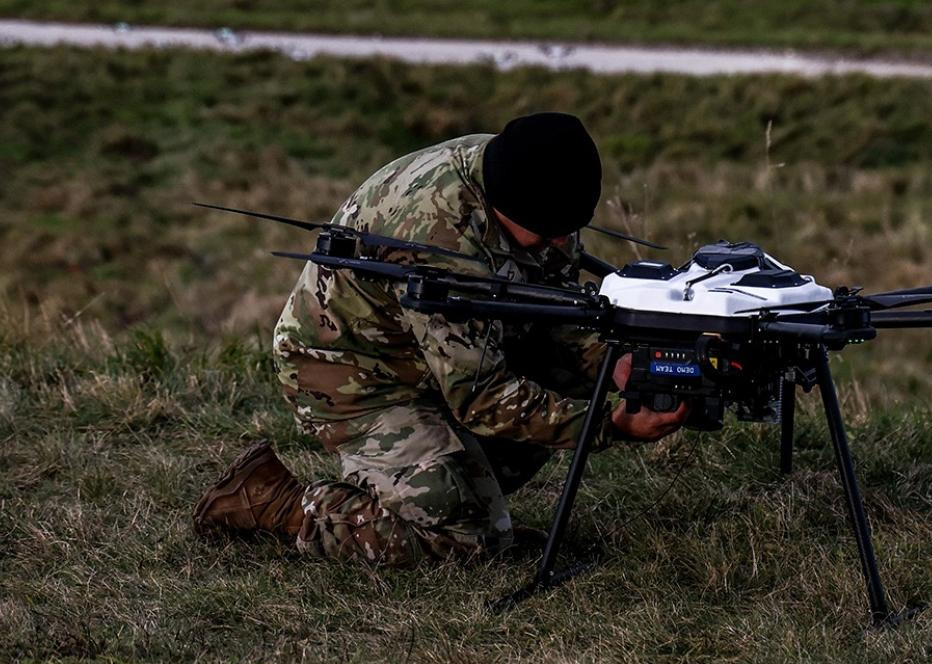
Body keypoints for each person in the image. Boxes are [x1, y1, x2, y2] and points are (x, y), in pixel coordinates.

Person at [193, 112, 687, 565]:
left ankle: (455, 494)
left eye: (569, 229)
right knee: (467, 543)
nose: (562, 243)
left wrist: (611, 361)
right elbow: (480, 397)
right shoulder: (441, 238)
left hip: (439, 355)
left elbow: (551, 300)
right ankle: (274, 503)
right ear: (504, 205)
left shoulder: (526, 173)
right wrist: (610, 425)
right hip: (355, 374)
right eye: (547, 232)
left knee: (563, 387)